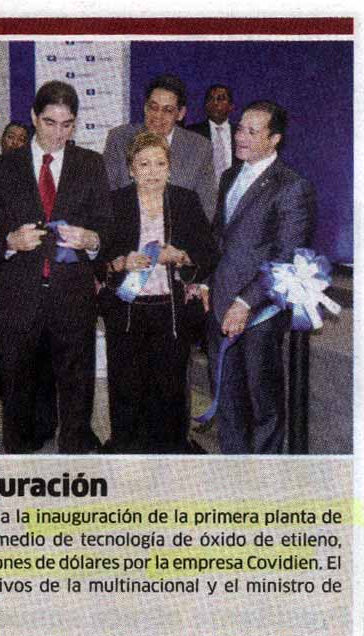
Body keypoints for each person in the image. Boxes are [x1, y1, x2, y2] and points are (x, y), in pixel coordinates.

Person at [0, 80, 112, 454]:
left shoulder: (91, 164)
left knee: (77, 380)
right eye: (50, 122)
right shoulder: (1, 168)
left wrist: (91, 239)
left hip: (72, 294)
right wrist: (9, 242)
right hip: (18, 294)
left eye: (67, 124)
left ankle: (74, 447)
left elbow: (107, 227)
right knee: (17, 381)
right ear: (33, 117)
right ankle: (20, 452)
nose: (58, 133)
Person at [98, 132, 218, 453]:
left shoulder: (184, 200)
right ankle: (127, 451)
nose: (152, 171)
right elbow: (97, 258)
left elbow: (209, 253)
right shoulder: (115, 202)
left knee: (169, 388)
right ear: (131, 169)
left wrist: (180, 257)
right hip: (126, 310)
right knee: (126, 386)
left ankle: (169, 453)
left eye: (160, 164)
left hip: (171, 311)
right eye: (144, 164)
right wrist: (121, 262)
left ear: (170, 167)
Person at [208, 100, 315, 454]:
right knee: (227, 400)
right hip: (220, 303)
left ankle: (266, 476)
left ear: (275, 139)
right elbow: (220, 238)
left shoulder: (292, 186)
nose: (240, 137)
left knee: (262, 403)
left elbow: (286, 258)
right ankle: (234, 470)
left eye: (252, 132)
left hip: (260, 313)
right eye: (240, 128)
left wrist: (245, 302)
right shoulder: (229, 176)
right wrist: (205, 282)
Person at [102, 74, 217, 219]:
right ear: (145, 107)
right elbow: (106, 196)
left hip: (179, 230)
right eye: (153, 107)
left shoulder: (200, 148)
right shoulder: (119, 139)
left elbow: (207, 207)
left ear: (180, 114)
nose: (158, 116)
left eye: (167, 110)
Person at [187, 84, 239, 185]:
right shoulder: (192, 133)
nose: (215, 103)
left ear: (231, 106)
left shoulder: (240, 134)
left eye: (220, 99)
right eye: (210, 99)